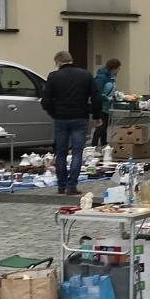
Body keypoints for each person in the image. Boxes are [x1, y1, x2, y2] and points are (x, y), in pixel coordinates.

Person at [41, 51, 103, 194]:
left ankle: (61, 185)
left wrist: (53, 112)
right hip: (80, 116)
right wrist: (96, 115)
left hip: (61, 118)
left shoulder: (53, 76)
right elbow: (96, 97)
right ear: (71, 60)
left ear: (58, 62)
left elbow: (46, 100)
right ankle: (72, 186)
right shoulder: (85, 75)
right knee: (77, 152)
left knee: (60, 152)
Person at [92, 58, 122, 148]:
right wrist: (107, 98)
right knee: (101, 126)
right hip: (100, 105)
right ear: (114, 68)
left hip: (107, 106)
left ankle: (104, 144)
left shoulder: (111, 78)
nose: (119, 71)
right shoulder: (102, 77)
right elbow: (97, 92)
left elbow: (111, 89)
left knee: (105, 126)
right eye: (118, 68)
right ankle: (93, 146)